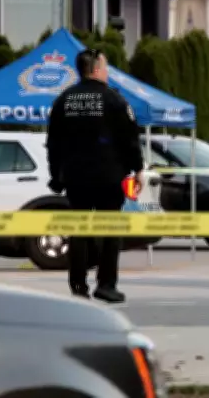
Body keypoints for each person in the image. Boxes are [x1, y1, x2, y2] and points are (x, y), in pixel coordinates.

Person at [47, 48, 144, 303]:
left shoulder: (64, 100)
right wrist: (138, 169)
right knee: (110, 230)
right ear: (97, 69)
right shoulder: (114, 100)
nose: (107, 72)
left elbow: (53, 143)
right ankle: (106, 284)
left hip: (75, 177)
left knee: (79, 231)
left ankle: (78, 285)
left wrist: (55, 176)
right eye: (106, 67)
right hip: (108, 176)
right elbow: (130, 138)